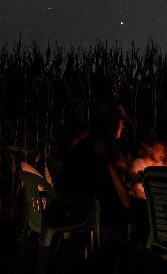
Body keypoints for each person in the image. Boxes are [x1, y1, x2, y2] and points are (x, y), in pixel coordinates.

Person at [47, 101, 144, 246]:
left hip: (69, 205)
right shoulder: (103, 142)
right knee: (140, 213)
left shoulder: (90, 141)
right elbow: (126, 169)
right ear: (112, 121)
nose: (123, 126)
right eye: (121, 120)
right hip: (77, 209)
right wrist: (145, 177)